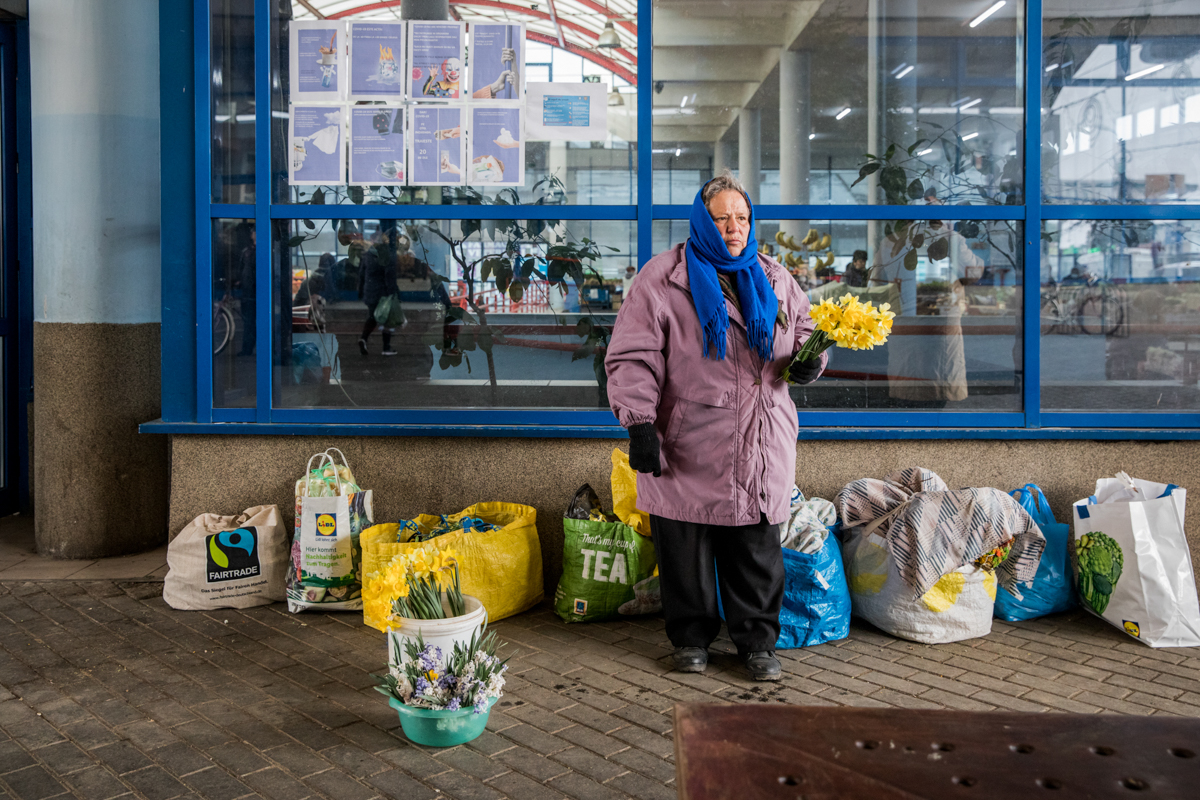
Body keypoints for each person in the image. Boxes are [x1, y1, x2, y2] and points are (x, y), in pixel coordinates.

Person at [605, 172, 826, 681]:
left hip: (760, 438)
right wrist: (639, 424)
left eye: (742, 217)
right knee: (686, 547)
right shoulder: (662, 279)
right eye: (722, 217)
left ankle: (757, 644)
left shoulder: (774, 278)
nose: (734, 227)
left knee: (756, 547)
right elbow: (632, 357)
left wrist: (812, 359)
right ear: (702, 219)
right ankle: (690, 639)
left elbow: (805, 332)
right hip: (689, 439)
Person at [357, 226, 401, 356]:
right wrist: (394, 293)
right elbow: (389, 276)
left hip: (370, 291)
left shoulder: (368, 255)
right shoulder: (386, 254)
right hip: (383, 292)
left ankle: (363, 339)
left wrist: (360, 292)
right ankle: (386, 347)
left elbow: (361, 275)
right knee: (387, 317)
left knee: (373, 316)